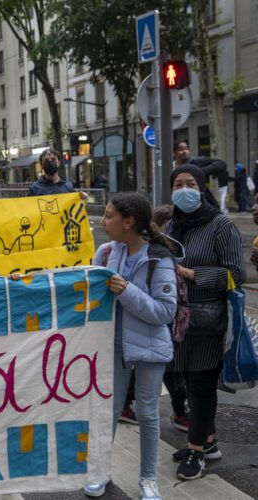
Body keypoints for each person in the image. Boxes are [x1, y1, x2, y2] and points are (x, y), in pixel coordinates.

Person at [84, 193, 180, 500]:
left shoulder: (159, 258)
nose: (103, 220)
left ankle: (148, 480)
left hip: (150, 347)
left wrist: (126, 292)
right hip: (113, 346)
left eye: (109, 215)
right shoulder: (106, 251)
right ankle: (100, 472)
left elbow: (165, 312)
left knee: (149, 414)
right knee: (107, 412)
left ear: (128, 222)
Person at [165, 164, 244, 480]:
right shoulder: (173, 225)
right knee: (186, 380)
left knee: (201, 385)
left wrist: (192, 274)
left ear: (201, 188)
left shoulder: (221, 225)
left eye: (191, 183)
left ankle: (196, 451)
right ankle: (207, 443)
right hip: (179, 321)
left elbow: (235, 274)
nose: (184, 189)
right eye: (178, 184)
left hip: (208, 321)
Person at [151, 204, 190, 432]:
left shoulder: (170, 249)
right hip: (169, 318)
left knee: (164, 365)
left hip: (176, 317)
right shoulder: (161, 252)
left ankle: (126, 403)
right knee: (170, 367)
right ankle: (180, 412)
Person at [173, 141, 229, 214]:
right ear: (174, 152)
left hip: (201, 208)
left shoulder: (197, 162)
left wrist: (200, 172)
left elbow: (221, 164)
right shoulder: (170, 168)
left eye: (186, 149)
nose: (185, 151)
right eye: (181, 149)